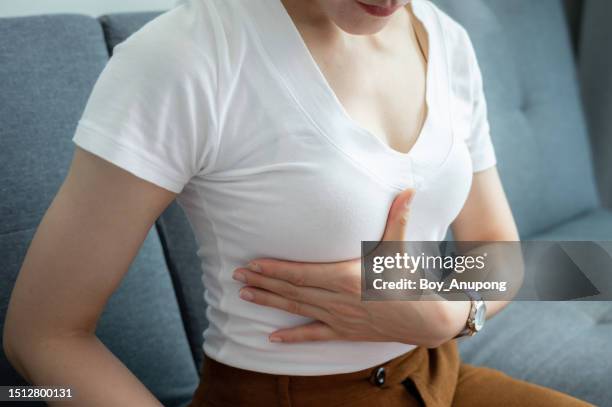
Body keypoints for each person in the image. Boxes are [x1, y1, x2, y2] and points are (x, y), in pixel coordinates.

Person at [3, 0, 594, 406]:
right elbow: (41, 336)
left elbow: (507, 255)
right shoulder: (187, 56)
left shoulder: (446, 38)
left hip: (435, 377)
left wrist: (449, 315)